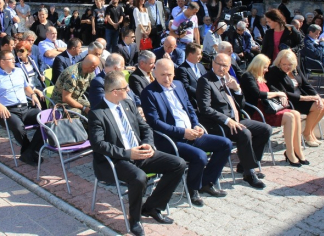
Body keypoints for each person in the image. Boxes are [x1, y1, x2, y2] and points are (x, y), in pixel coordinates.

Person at [88, 71, 186, 236]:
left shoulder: (128, 104)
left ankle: (152, 207)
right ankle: (135, 220)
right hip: (117, 160)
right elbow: (98, 145)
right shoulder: (97, 113)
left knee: (178, 164)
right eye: (125, 88)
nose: (129, 91)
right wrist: (128, 154)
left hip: (139, 152)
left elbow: (145, 127)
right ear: (115, 92)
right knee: (139, 177)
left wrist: (149, 144)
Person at [142, 59, 231, 206]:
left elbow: (189, 108)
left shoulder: (179, 85)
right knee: (200, 156)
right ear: (154, 73)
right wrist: (183, 132)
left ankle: (206, 182)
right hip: (171, 140)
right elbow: (155, 123)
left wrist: (196, 125)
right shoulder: (149, 93)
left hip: (191, 134)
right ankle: (193, 190)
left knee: (225, 144)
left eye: (170, 74)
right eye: (163, 75)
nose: (167, 78)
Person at [196, 53, 272, 188]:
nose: (221, 68)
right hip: (218, 124)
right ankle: (249, 173)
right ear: (213, 63)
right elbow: (205, 108)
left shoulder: (228, 80)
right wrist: (226, 120)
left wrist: (237, 90)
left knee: (265, 129)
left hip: (235, 119)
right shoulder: (205, 81)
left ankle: (246, 164)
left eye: (224, 65)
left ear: (229, 66)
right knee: (245, 133)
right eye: (218, 64)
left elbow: (241, 105)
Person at [242, 55, 309, 166]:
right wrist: (278, 93)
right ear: (258, 65)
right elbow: (258, 94)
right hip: (257, 112)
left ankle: (297, 150)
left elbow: (272, 88)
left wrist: (280, 94)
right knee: (290, 117)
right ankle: (290, 152)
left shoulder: (262, 76)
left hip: (268, 108)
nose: (267, 70)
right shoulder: (248, 76)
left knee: (296, 113)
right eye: (265, 67)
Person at [0, 49, 43, 165]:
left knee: (46, 120)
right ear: (2, 62)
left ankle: (29, 151)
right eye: (11, 59)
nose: (15, 61)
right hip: (7, 111)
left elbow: (26, 87)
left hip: (25, 108)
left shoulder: (19, 72)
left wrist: (33, 95)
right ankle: (30, 152)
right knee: (19, 127)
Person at [266, 49, 324, 147]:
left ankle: (309, 131)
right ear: (279, 62)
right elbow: (283, 92)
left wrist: (317, 96)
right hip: (290, 101)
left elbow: (306, 84)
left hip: (302, 97)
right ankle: (307, 134)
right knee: (316, 106)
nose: (287, 67)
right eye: (284, 64)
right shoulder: (274, 71)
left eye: (290, 64)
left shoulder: (295, 69)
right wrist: (304, 98)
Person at [175, 43, 207, 110]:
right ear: (190, 54)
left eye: (201, 54)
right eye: (198, 54)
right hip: (193, 102)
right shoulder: (182, 69)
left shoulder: (201, 66)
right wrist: (200, 94)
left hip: (206, 99)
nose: (201, 56)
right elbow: (186, 86)